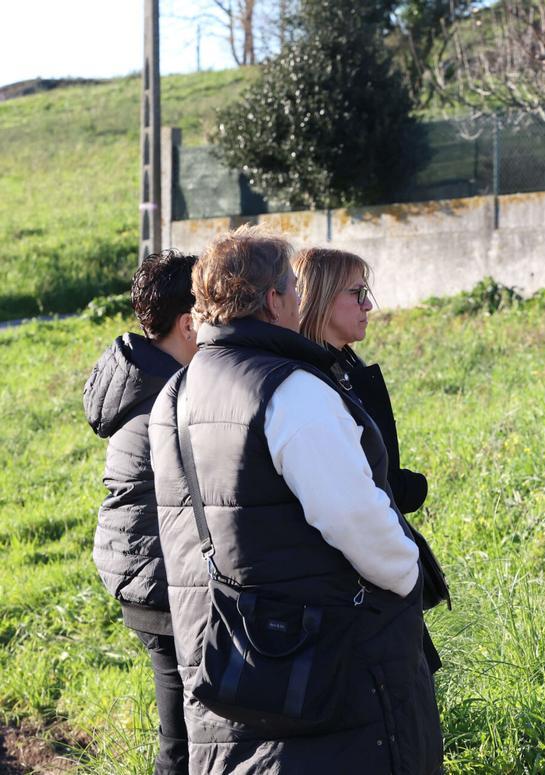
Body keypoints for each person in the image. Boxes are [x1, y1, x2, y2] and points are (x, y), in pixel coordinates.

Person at [147, 225, 442, 773]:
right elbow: (357, 519)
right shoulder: (288, 388)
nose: (300, 300)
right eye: (293, 288)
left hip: (225, 654)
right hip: (322, 666)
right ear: (276, 299)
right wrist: (407, 572)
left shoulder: (176, 391)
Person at [292, 246, 449, 659]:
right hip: (350, 576)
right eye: (357, 294)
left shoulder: (343, 365)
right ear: (322, 298)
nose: (369, 306)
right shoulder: (307, 380)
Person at [83, 250, 198, 775]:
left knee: (187, 735)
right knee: (183, 743)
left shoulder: (142, 377)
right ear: (188, 322)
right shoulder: (167, 395)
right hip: (160, 581)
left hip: (140, 571)